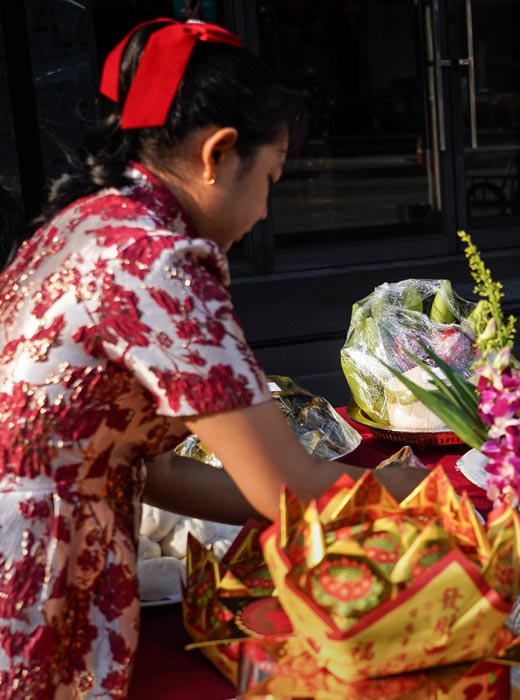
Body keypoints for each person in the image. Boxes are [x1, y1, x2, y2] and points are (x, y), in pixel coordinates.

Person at [0, 19, 422, 698]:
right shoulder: (158, 262)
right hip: (29, 568)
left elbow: (158, 470)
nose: (263, 209)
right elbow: (287, 486)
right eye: (271, 178)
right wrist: (415, 495)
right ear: (219, 153)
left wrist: (277, 513)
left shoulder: (87, 222)